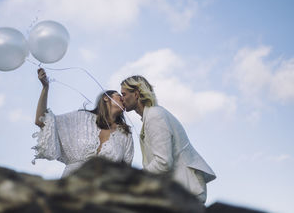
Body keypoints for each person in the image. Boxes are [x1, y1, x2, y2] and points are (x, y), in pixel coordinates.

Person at [120, 75, 216, 203]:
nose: (122, 98)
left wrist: (135, 177)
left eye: (124, 94)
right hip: (177, 192)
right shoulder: (151, 116)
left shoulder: (155, 116)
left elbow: (163, 162)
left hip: (185, 190)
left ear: (136, 94)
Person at [32, 68, 134, 177]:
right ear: (106, 98)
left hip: (105, 191)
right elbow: (41, 121)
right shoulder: (81, 118)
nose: (123, 99)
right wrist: (45, 87)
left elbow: (126, 172)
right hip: (71, 186)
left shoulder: (125, 134)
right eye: (119, 95)